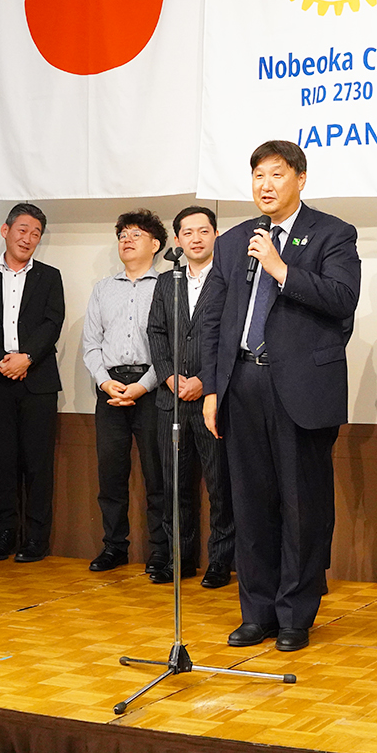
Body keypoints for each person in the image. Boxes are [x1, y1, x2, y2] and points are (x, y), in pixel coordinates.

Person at [200, 140, 361, 652]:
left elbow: (343, 299)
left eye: (275, 175)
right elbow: (213, 322)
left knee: (301, 507)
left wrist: (280, 268)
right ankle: (257, 613)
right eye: (257, 176)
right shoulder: (234, 242)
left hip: (300, 390)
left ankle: (295, 614)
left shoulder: (333, 233)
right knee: (250, 507)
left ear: (300, 179)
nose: (265, 186)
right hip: (242, 384)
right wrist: (211, 388)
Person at [0, 202, 66, 563]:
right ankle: (4, 533)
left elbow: (53, 322)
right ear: (5, 231)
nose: (28, 238)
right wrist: (1, 361)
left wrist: (27, 358)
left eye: (35, 233)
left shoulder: (50, 276)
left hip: (37, 380)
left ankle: (36, 538)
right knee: (1, 461)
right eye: (22, 230)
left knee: (38, 464)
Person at [149, 206, 234, 587]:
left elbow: (233, 337)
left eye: (203, 231)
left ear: (216, 235)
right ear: (177, 239)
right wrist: (169, 376)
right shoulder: (167, 281)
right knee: (174, 486)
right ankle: (178, 559)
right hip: (171, 402)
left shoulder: (230, 280)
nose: (196, 238)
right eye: (188, 232)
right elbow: (155, 332)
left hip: (213, 399)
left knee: (220, 486)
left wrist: (205, 380)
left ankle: (220, 561)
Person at [83, 210, 168, 575]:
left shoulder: (167, 287)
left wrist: (142, 386)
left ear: (156, 244)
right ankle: (114, 547)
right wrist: (105, 382)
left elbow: (171, 347)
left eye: (136, 235)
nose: (127, 241)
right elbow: (91, 344)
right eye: (122, 236)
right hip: (110, 388)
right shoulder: (103, 289)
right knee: (111, 475)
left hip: (152, 388)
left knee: (157, 476)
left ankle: (161, 551)